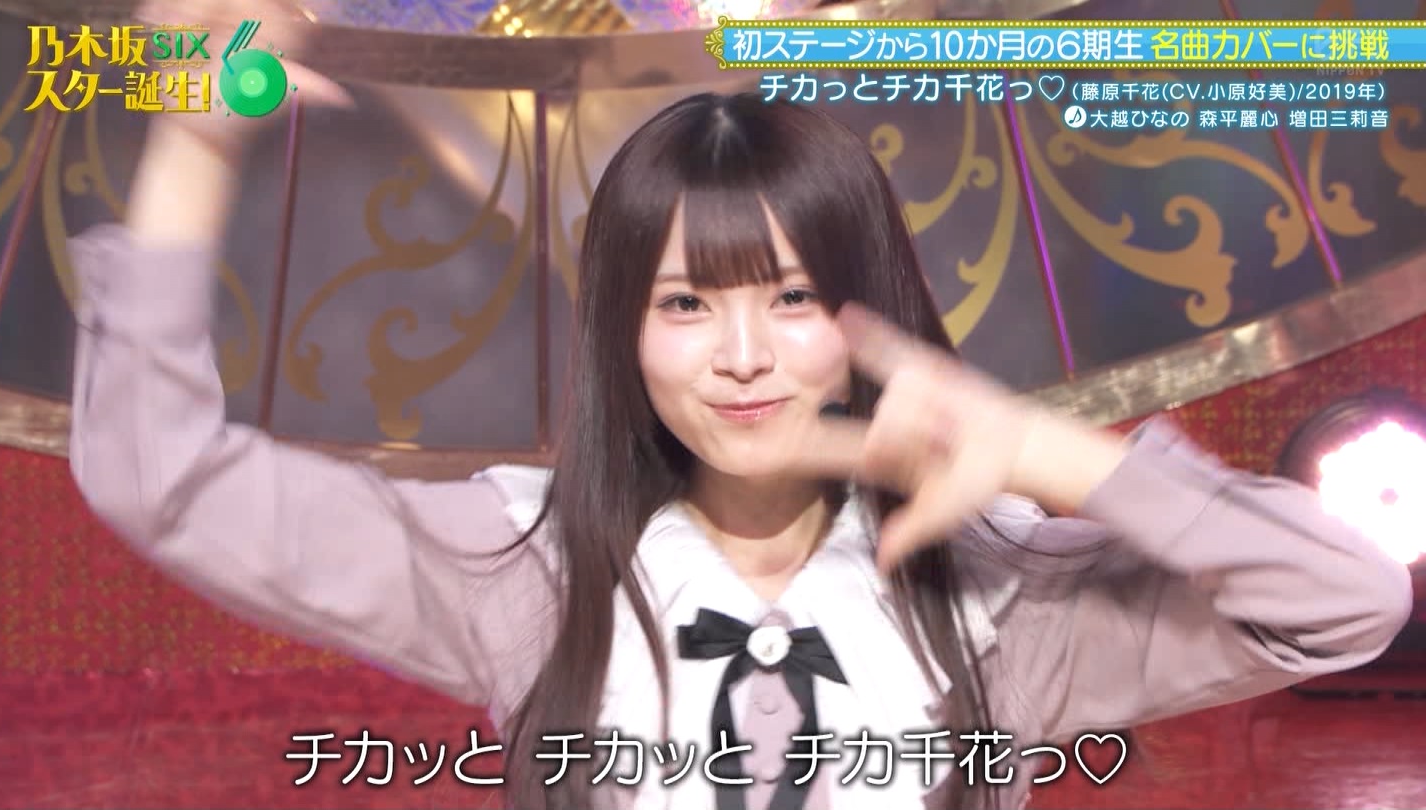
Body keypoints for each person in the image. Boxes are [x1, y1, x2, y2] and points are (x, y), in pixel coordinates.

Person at [68, 76, 1411, 810]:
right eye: (685, 304)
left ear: (866, 313)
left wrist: (1047, 455)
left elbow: (1346, 600)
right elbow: (161, 478)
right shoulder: (521, 569)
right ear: (625, 334)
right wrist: (195, 142)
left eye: (793, 298)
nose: (744, 355)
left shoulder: (1007, 605)